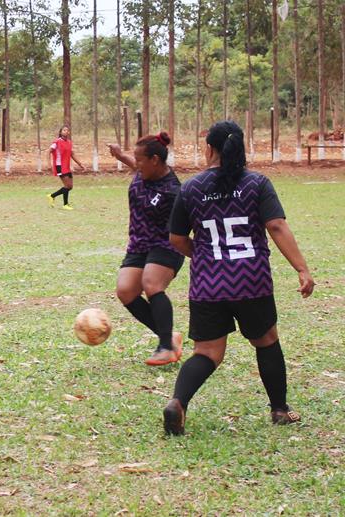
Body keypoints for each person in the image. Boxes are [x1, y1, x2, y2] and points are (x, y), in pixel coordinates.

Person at [163, 120, 315, 435]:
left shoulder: (191, 188)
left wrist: (204, 255)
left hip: (208, 285)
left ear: (209, 148)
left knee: (206, 353)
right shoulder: (256, 184)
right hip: (252, 280)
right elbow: (276, 227)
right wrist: (301, 268)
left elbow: (177, 240)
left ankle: (178, 402)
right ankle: (279, 410)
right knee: (266, 340)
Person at [108, 132, 184, 366]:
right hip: (139, 244)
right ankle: (169, 336)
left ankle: (166, 347)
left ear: (155, 160)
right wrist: (121, 155)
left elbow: (182, 228)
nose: (136, 164)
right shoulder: (143, 171)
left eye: (140, 159)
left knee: (151, 284)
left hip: (165, 245)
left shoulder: (173, 191)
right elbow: (133, 164)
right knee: (126, 291)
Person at [47, 125, 85, 210]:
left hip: (66, 166)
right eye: (64, 130)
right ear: (60, 132)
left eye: (67, 130)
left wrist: (80, 164)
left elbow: (72, 154)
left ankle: (52, 196)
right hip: (59, 166)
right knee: (67, 186)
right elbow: (48, 151)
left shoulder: (69, 142)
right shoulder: (56, 142)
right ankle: (65, 204)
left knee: (70, 186)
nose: (66, 131)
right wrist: (49, 164)